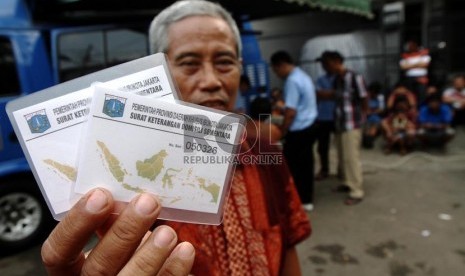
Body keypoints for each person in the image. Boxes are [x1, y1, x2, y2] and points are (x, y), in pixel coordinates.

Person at [41, 1, 312, 275]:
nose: (211, 80)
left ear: (240, 68)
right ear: (158, 73)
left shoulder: (264, 151)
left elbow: (287, 242)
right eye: (189, 63)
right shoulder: (136, 174)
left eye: (225, 62)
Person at [270, 50, 318, 212]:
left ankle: (297, 200)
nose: (277, 74)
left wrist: (282, 131)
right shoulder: (303, 76)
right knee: (306, 163)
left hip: (299, 129)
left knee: (292, 166)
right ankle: (307, 198)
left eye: (276, 70)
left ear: (281, 65)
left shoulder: (292, 81)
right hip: (310, 125)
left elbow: (291, 112)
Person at [324, 51, 368, 206]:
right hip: (340, 123)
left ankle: (357, 191)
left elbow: (364, 98)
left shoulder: (355, 77)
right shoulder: (337, 79)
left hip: (352, 123)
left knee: (351, 158)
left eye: (326, 63)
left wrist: (363, 118)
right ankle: (346, 182)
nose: (325, 67)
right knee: (342, 157)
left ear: (336, 61)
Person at [314, 51, 337, 180]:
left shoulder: (340, 78)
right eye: (322, 64)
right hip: (323, 117)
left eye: (325, 63)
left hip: (337, 116)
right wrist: (334, 93)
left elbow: (341, 94)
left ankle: (342, 170)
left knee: (342, 146)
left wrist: (327, 94)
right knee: (322, 147)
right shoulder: (320, 79)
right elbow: (318, 94)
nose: (324, 66)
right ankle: (324, 170)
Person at [399, 39, 431, 104]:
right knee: (410, 96)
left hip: (421, 77)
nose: (410, 47)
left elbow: (425, 64)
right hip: (409, 78)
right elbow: (403, 67)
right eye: (409, 45)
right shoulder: (405, 55)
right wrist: (417, 64)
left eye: (412, 45)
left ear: (416, 45)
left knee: (422, 95)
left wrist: (410, 65)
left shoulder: (423, 53)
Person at [362, 82, 385, 149]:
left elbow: (381, 109)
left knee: (373, 128)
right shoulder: (367, 97)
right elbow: (365, 108)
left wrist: (372, 112)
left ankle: (370, 140)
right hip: (367, 118)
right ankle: (366, 139)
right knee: (366, 130)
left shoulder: (380, 97)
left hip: (376, 118)